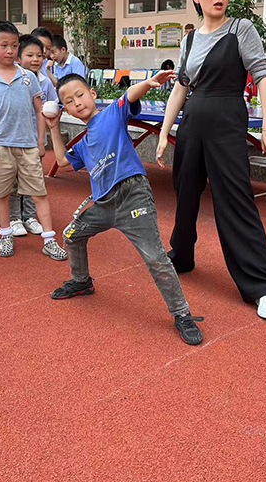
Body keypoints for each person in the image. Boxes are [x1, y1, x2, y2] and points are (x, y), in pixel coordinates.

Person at [155, 0, 266, 321]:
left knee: (235, 199)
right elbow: (181, 87)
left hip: (228, 118)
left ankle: (261, 287)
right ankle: (181, 255)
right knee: (184, 191)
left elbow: (262, 76)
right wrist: (166, 132)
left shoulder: (241, 29)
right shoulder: (191, 39)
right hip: (193, 120)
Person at [43, 73, 204, 345]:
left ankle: (182, 314)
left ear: (93, 94)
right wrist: (53, 127)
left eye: (80, 95)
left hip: (133, 197)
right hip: (103, 204)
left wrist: (150, 81)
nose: (77, 103)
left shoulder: (112, 115)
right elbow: (61, 159)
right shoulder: (82, 142)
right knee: (72, 235)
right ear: (65, 109)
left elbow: (130, 94)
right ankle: (81, 281)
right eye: (69, 101)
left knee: (155, 258)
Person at [0, 22, 67, 261]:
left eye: (14, 45)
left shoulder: (28, 78)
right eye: (4, 46)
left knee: (39, 193)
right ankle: (6, 235)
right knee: (1, 193)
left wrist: (40, 141)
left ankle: (49, 240)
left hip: (27, 146)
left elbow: (39, 110)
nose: (11, 51)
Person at [9, 34, 57, 236]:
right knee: (12, 181)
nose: (36, 59)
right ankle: (14, 218)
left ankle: (29, 216)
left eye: (40, 55)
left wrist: (42, 140)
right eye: (30, 55)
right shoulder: (11, 79)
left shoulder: (45, 82)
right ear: (18, 58)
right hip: (12, 139)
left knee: (32, 180)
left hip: (34, 140)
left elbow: (52, 105)